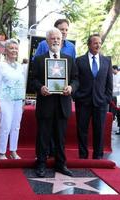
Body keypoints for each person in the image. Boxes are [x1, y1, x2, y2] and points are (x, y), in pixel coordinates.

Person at [32, 28, 79, 177]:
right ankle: (41, 164)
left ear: (62, 40)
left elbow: (76, 79)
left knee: (60, 138)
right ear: (47, 41)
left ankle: (61, 165)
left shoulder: (69, 59)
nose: (56, 41)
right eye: (53, 38)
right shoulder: (39, 59)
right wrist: (41, 88)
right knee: (43, 137)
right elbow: (33, 80)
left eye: (58, 38)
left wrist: (71, 87)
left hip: (62, 105)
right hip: (45, 104)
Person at [73, 33, 113, 159]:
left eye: (100, 43)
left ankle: (98, 155)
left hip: (101, 103)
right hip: (83, 102)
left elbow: (109, 82)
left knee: (99, 130)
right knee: (82, 130)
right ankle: (83, 155)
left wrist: (107, 98)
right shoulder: (79, 60)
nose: (98, 45)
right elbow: (75, 79)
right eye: (95, 43)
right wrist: (77, 96)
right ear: (89, 44)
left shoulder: (107, 61)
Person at [0, 38, 26, 160]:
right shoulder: (0, 66)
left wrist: (23, 101)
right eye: (11, 48)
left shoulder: (20, 66)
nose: (14, 50)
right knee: (5, 125)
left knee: (16, 126)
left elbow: (22, 84)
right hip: (5, 100)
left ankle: (13, 151)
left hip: (17, 100)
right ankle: (1, 152)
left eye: (16, 48)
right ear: (6, 50)